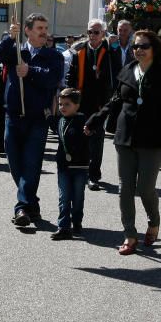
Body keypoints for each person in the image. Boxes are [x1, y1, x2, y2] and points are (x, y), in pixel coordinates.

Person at [94, 30, 161, 255]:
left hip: (152, 138)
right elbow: (115, 100)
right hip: (125, 136)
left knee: (145, 188)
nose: (139, 50)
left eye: (144, 46)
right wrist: (96, 120)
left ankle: (153, 221)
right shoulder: (127, 69)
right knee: (124, 188)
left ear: (155, 49)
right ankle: (130, 235)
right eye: (135, 46)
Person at [0, 13, 64, 227]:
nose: (44, 32)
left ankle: (22, 207)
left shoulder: (54, 56)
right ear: (27, 30)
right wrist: (9, 36)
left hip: (37, 118)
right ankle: (31, 203)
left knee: (32, 164)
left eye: (45, 28)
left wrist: (30, 71)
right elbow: (0, 53)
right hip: (13, 116)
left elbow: (52, 79)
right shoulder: (16, 50)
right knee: (16, 164)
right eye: (39, 28)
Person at [65, 19, 117, 190]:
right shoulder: (78, 51)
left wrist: (108, 103)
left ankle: (94, 175)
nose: (92, 35)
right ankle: (81, 172)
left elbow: (114, 79)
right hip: (80, 102)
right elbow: (71, 76)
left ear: (103, 34)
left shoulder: (110, 52)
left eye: (96, 32)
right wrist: (69, 96)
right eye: (89, 32)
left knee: (96, 140)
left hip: (99, 104)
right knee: (80, 138)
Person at [49, 88, 93, 241]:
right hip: (63, 166)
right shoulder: (60, 121)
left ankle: (77, 221)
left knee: (78, 197)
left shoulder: (83, 121)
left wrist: (90, 130)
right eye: (60, 104)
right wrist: (49, 114)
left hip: (80, 167)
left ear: (77, 106)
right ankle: (63, 226)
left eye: (67, 104)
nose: (62, 107)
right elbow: (53, 123)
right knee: (64, 197)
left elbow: (90, 132)